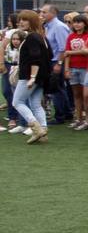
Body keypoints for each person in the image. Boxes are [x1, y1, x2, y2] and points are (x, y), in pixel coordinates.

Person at [12, 10, 52, 143]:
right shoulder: (41, 37)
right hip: (41, 76)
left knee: (17, 102)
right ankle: (43, 132)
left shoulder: (32, 37)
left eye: (25, 19)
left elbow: (35, 58)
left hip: (30, 76)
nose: (21, 22)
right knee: (35, 104)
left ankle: (36, 128)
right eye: (20, 19)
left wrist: (33, 77)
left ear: (32, 21)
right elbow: (49, 56)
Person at [62, 13, 88, 130]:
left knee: (87, 95)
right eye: (75, 22)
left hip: (86, 68)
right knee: (76, 95)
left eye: (79, 22)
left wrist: (71, 53)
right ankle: (78, 118)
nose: (76, 24)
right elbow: (66, 53)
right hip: (73, 67)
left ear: (85, 24)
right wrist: (67, 68)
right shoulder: (71, 36)